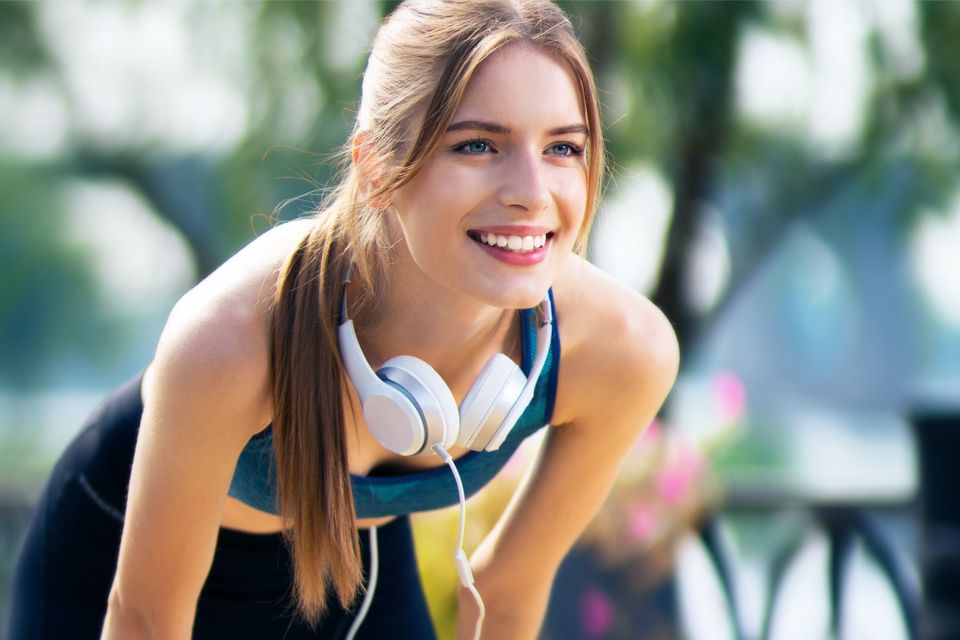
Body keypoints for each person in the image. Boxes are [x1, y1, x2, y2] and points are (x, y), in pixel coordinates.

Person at [7, 0, 679, 638]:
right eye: (477, 145)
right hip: (117, 565)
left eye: (563, 148)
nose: (532, 195)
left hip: (343, 565)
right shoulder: (229, 340)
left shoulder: (622, 353)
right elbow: (144, 618)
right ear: (378, 166)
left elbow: (506, 590)